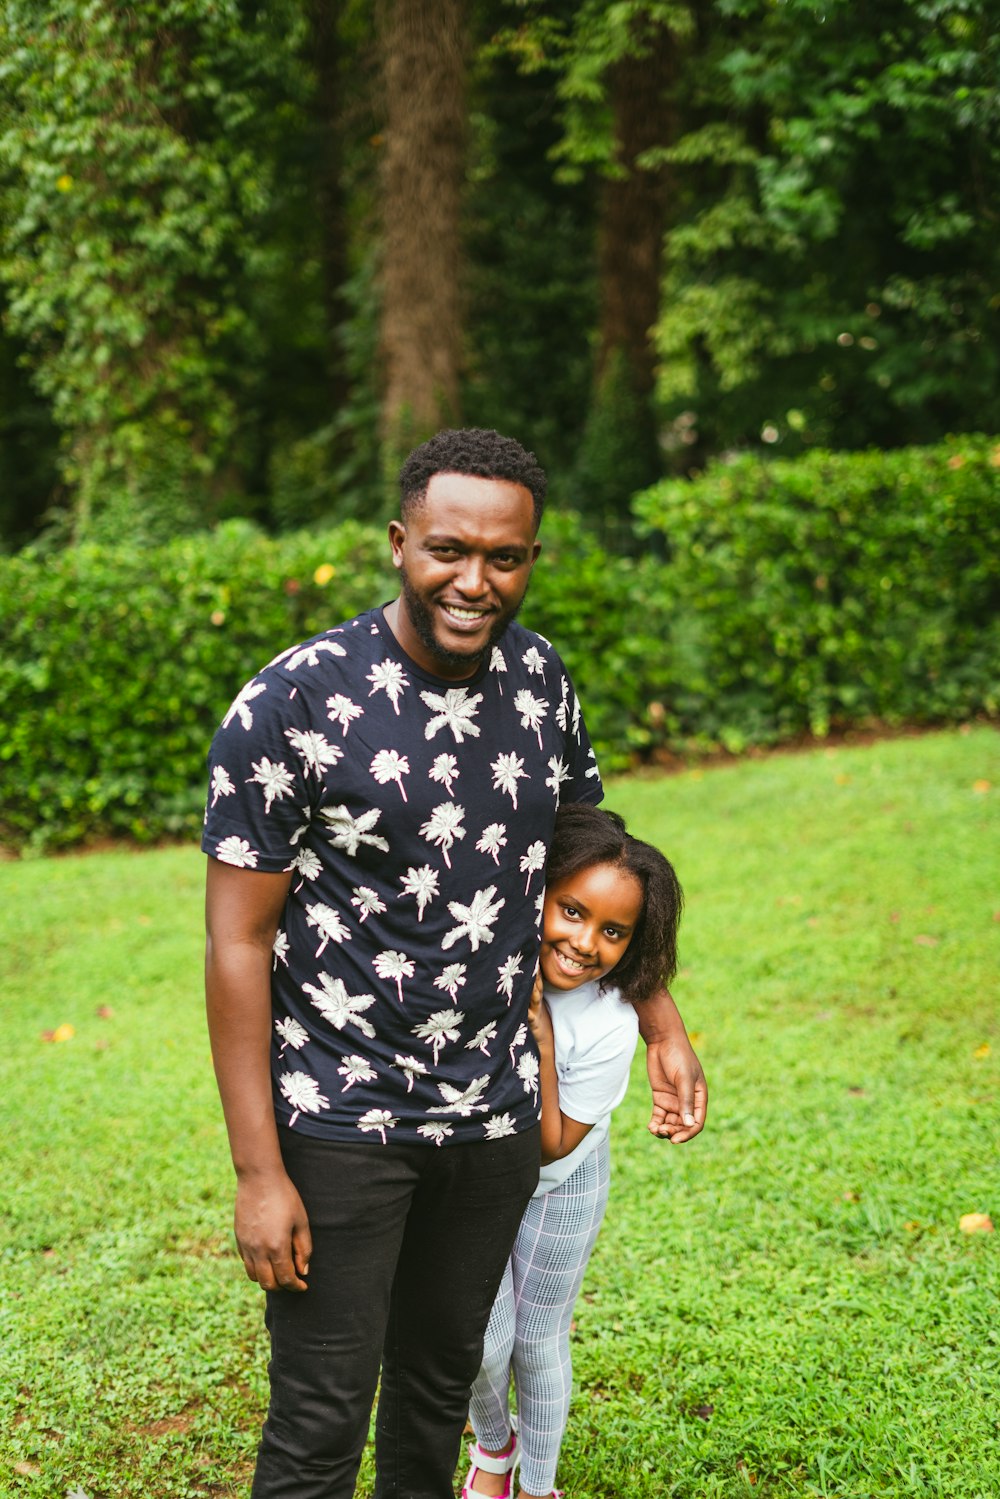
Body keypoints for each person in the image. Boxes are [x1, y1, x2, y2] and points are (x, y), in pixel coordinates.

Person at [203, 427, 706, 1499]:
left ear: (530, 558)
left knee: (437, 1391)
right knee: (321, 1416)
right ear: (398, 543)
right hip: (342, 1118)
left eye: (505, 557)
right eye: (446, 549)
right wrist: (259, 1170)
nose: (473, 580)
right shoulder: (294, 702)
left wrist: (661, 1022)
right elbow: (237, 938)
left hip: (492, 1118)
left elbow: (594, 864)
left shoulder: (539, 681)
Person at [461, 803, 683, 1499]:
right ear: (539, 891)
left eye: (613, 931)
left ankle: (539, 1484)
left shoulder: (612, 1024)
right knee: (481, 1341)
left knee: (539, 1337)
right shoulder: (492, 958)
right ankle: (495, 1447)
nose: (585, 941)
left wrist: (545, 1040)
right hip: (476, 1184)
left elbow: (553, 1144)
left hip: (564, 1177)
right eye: (572, 910)